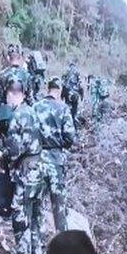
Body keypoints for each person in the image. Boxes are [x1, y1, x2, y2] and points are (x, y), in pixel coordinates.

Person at [2, 77, 46, 254]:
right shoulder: (33, 111)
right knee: (37, 218)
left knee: (19, 216)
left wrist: (1, 155)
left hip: (26, 172)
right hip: (40, 171)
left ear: (12, 94)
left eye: (8, 96)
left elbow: (13, 150)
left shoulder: (17, 116)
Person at [34, 76, 76, 233]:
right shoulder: (63, 108)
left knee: (36, 203)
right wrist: (59, 145)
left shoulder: (36, 107)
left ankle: (37, 242)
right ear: (59, 91)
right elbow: (70, 138)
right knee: (59, 205)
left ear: (48, 89)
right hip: (56, 160)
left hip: (37, 160)